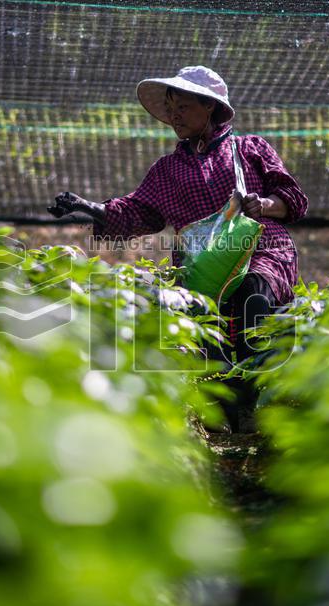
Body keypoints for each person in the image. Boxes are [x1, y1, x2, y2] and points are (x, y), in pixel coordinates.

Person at [48, 65, 308, 432]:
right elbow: (135, 212)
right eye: (170, 109)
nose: (174, 116)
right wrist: (90, 207)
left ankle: (253, 399)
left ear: (210, 106)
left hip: (261, 249)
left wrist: (262, 204)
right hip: (202, 266)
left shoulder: (249, 149)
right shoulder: (167, 170)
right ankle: (226, 411)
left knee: (252, 296)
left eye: (183, 107)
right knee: (205, 321)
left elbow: (293, 199)